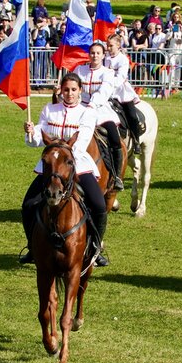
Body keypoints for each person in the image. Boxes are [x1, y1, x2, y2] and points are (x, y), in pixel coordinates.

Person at [20, 73, 109, 267]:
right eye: (66, 89)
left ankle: (95, 248)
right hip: (51, 168)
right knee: (28, 205)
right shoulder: (50, 110)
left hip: (78, 166)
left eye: (74, 90)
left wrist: (64, 155)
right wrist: (31, 132)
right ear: (61, 90)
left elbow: (83, 140)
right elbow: (37, 139)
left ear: (80, 91)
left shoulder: (87, 112)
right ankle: (32, 247)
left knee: (99, 205)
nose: (69, 94)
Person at [73, 42, 125, 190]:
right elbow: (72, 85)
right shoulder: (80, 70)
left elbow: (104, 91)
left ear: (103, 55)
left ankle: (116, 177)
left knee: (114, 137)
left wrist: (93, 105)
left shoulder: (107, 72)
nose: (94, 55)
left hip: (101, 109)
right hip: (80, 108)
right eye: (92, 53)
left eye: (98, 53)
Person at [105, 33, 143, 153]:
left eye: (111, 46)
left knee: (131, 116)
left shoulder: (123, 59)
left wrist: (109, 85)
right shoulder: (104, 58)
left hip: (121, 91)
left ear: (118, 45)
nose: (108, 48)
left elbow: (121, 77)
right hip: (105, 90)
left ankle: (136, 141)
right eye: (107, 45)